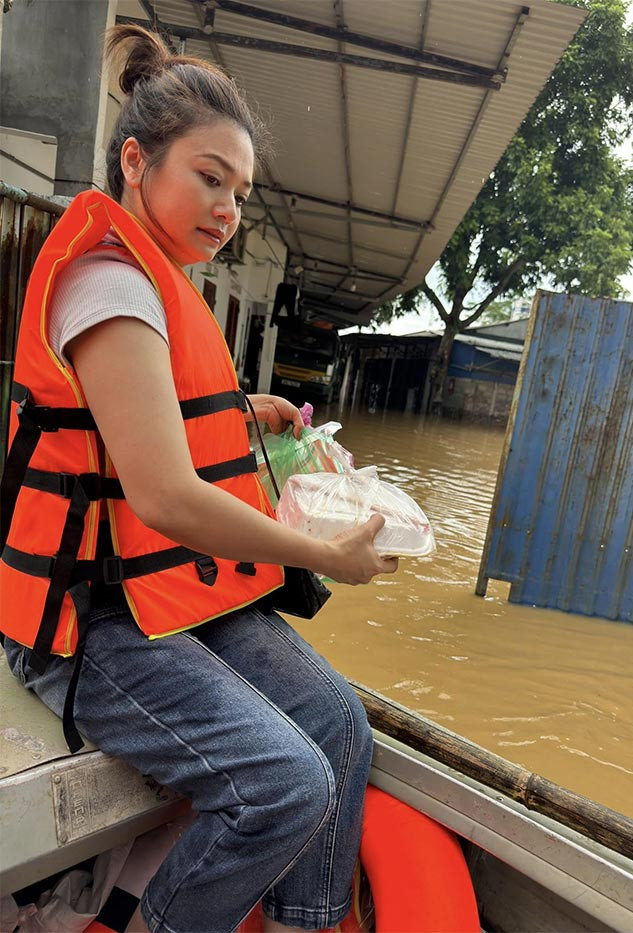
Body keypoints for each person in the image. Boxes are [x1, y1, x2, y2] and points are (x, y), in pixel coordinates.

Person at [0, 24, 398, 933]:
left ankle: (306, 924)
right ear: (136, 162)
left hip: (161, 590)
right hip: (86, 619)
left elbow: (157, 409)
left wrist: (243, 406)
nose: (227, 209)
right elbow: (167, 497)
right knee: (285, 784)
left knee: (339, 722)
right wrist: (321, 553)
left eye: (239, 192)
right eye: (208, 178)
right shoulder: (108, 283)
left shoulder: (160, 281)